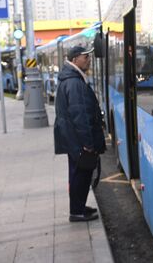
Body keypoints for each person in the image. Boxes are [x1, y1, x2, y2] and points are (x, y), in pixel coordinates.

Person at [54, 46, 106, 222]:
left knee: (79, 175)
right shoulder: (74, 82)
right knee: (80, 176)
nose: (89, 60)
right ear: (75, 59)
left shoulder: (71, 78)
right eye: (86, 57)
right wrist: (88, 144)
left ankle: (78, 207)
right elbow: (80, 116)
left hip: (73, 139)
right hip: (78, 141)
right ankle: (76, 211)